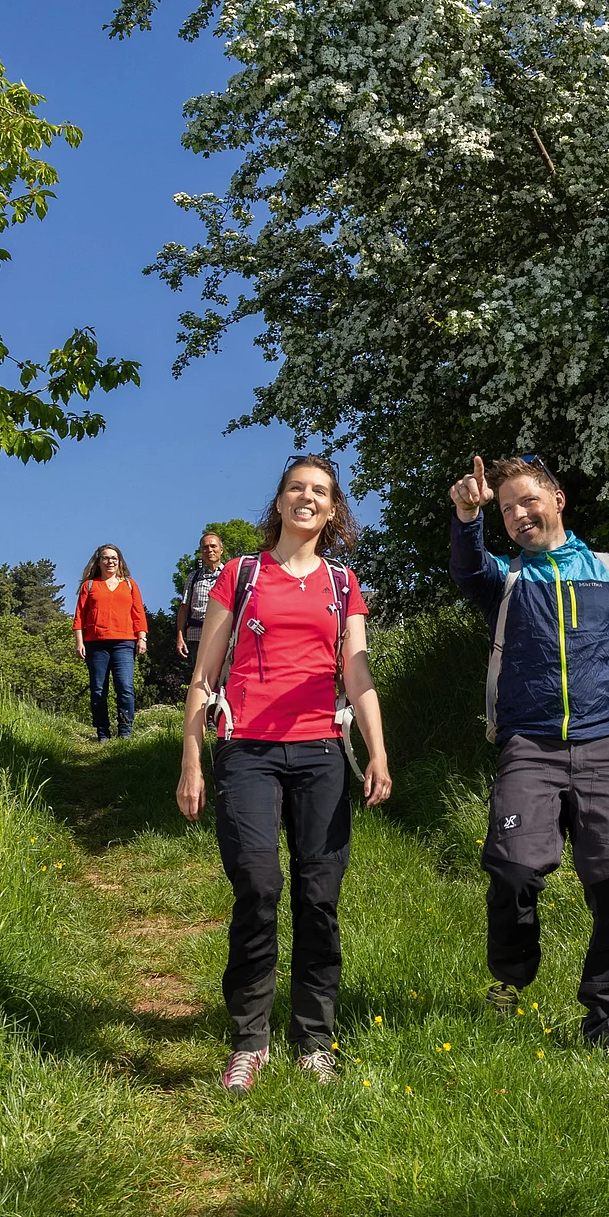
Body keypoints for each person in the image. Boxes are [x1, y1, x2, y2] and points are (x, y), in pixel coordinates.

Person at [448, 454, 609, 1055]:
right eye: (506, 509)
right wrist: (467, 517)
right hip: (529, 747)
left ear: (558, 500)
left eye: (526, 500)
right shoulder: (506, 580)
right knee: (512, 868)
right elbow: (467, 570)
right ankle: (510, 974)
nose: (518, 514)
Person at [178, 455, 393, 1093]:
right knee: (257, 884)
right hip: (244, 748)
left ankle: (314, 1040)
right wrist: (191, 758)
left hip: (322, 753)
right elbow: (205, 673)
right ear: (278, 502)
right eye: (296, 487)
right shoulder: (241, 576)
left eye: (320, 492)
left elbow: (356, 670)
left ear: (332, 511)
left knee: (319, 896)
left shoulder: (341, 582)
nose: (307, 497)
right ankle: (249, 1039)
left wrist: (378, 750)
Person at [74, 543, 147, 741]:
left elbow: (138, 613)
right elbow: (79, 616)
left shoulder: (130, 584)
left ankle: (125, 731)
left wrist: (142, 637)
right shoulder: (89, 586)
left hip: (124, 643)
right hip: (95, 643)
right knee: (98, 689)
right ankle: (102, 732)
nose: (110, 561)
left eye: (114, 558)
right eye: (106, 558)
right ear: (98, 562)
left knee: (125, 687)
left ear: (120, 561)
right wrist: (79, 642)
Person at [173, 528, 226, 662]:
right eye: (205, 547)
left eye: (213, 546)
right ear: (201, 551)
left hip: (224, 634)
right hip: (197, 636)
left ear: (221, 549)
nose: (209, 550)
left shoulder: (231, 574)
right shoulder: (193, 577)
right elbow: (184, 608)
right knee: (200, 677)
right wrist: (180, 636)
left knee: (226, 678)